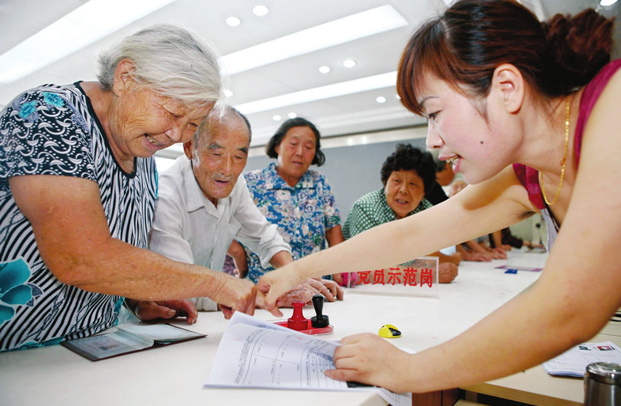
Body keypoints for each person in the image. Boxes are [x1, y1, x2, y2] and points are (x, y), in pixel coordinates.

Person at [257, 0, 620, 393]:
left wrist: (409, 371)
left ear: (507, 89)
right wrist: (295, 271)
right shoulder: (531, 173)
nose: (432, 140)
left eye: (434, 113)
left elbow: (570, 308)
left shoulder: (612, 106)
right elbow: (408, 235)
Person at [0, 24, 259, 352]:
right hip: (14, 358)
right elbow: (80, 258)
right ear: (125, 76)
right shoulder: (48, 116)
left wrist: (138, 299)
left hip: (90, 351)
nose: (177, 135)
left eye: (192, 124)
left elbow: (115, 255)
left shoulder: (143, 154)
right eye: (172, 112)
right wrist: (216, 282)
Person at [148, 107, 342, 314]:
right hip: (164, 323)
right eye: (216, 154)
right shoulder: (167, 196)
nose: (227, 170)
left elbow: (264, 237)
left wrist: (294, 278)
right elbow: (180, 287)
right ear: (189, 148)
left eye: (239, 157)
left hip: (208, 319)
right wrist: (261, 295)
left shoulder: (236, 185)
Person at [239, 117, 345, 284]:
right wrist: (240, 258)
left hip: (317, 285)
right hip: (267, 287)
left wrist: (340, 271)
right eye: (293, 144)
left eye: (309, 147)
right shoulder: (251, 182)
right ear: (277, 146)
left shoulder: (319, 182)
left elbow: (333, 231)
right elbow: (227, 222)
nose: (300, 152)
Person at [342, 144, 459, 283]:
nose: (403, 190)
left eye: (413, 184)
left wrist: (452, 261)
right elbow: (364, 270)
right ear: (385, 183)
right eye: (397, 181)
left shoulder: (427, 212)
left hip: (405, 290)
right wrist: (428, 275)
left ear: (423, 193)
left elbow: (428, 257)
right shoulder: (366, 209)